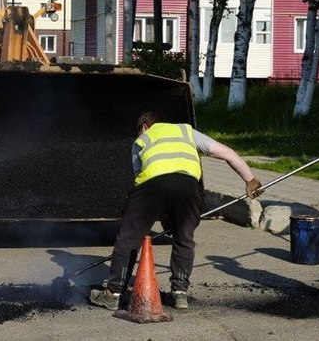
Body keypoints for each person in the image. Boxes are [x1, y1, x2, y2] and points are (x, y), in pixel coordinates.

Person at [89, 111, 263, 311]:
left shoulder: (141, 140)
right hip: (188, 187)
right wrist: (250, 180)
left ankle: (114, 293)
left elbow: (142, 180)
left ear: (144, 127)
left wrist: (155, 213)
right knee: (184, 236)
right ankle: (180, 294)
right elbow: (228, 153)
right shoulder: (186, 131)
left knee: (129, 236)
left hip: (151, 186)